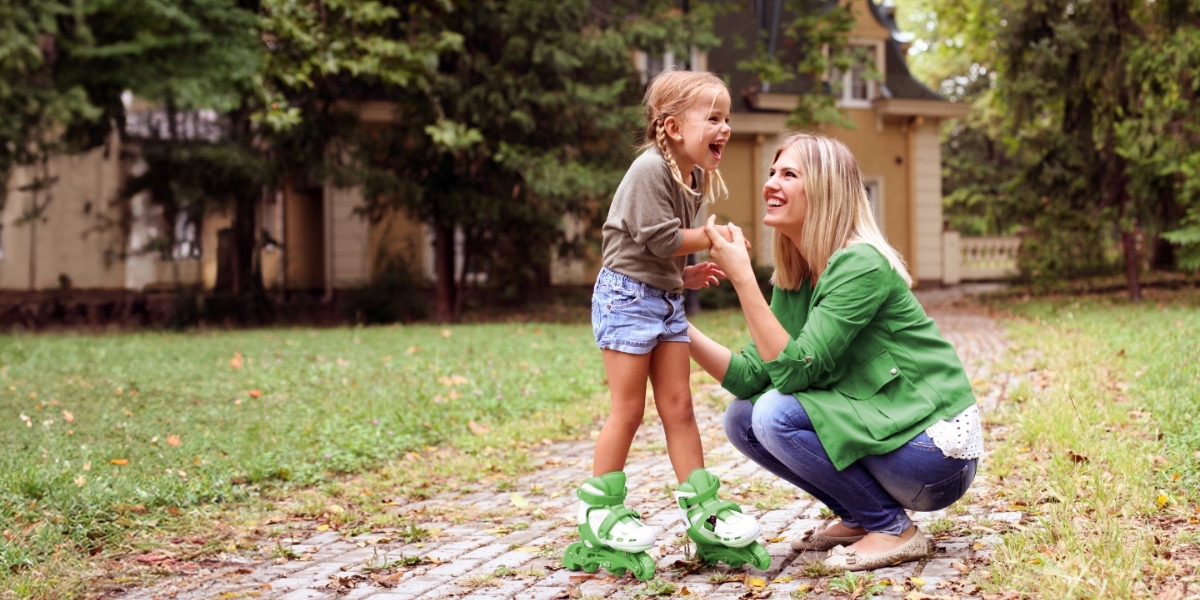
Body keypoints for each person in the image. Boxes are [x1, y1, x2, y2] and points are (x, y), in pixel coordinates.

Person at [686, 133, 983, 572]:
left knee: (774, 413)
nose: (771, 183)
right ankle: (859, 516)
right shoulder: (799, 276)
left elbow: (792, 374)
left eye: (788, 174)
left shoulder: (860, 264)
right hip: (888, 430)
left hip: (933, 455)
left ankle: (893, 529)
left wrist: (743, 279)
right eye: (772, 172)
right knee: (743, 417)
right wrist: (673, 324)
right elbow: (753, 374)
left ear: (825, 191)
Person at [561, 70, 770, 581]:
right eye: (713, 118)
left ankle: (703, 509)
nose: (724, 128)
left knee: (680, 406)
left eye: (727, 118)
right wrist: (713, 238)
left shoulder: (693, 176)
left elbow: (663, 248)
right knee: (629, 409)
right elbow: (656, 238)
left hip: (665, 296)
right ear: (673, 127)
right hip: (627, 298)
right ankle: (599, 514)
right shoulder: (648, 169)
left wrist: (686, 272)